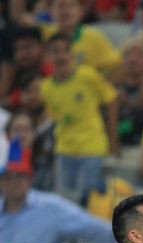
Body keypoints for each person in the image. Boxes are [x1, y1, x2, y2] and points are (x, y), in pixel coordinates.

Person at [41, 32, 119, 202]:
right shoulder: (46, 88)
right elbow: (54, 119)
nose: (61, 56)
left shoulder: (88, 76)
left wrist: (113, 141)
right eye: (55, 51)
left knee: (89, 203)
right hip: (63, 151)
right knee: (64, 203)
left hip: (91, 149)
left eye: (65, 50)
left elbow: (111, 100)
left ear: (72, 54)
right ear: (48, 57)